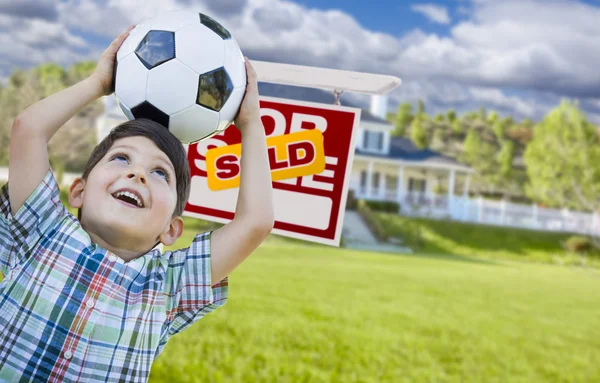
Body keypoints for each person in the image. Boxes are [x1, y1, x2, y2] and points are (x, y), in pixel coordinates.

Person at [0, 25, 274, 382]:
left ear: (171, 228)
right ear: (79, 191)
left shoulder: (168, 287)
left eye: (160, 173)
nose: (138, 175)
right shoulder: (44, 230)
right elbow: (29, 129)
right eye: (121, 159)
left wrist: (251, 124)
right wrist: (99, 83)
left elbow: (256, 221)